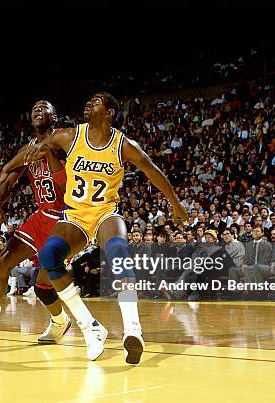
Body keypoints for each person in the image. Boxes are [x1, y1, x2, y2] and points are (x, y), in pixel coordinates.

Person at [19, 93, 188, 363]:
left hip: (106, 213)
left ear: (110, 112)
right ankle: (90, 327)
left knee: (118, 251)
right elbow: (35, 149)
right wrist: (9, 174)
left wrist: (176, 204)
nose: (89, 103)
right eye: (89, 100)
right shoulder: (70, 136)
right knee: (48, 257)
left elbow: (153, 171)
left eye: (96, 101)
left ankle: (133, 329)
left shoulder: (123, 145)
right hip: (75, 215)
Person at [0, 100, 71, 349]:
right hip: (42, 215)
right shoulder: (27, 148)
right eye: (34, 108)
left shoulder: (64, 138)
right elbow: (8, 179)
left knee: (43, 287)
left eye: (45, 107)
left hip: (67, 219)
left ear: (55, 116)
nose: (38, 110)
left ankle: (67, 322)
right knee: (0, 264)